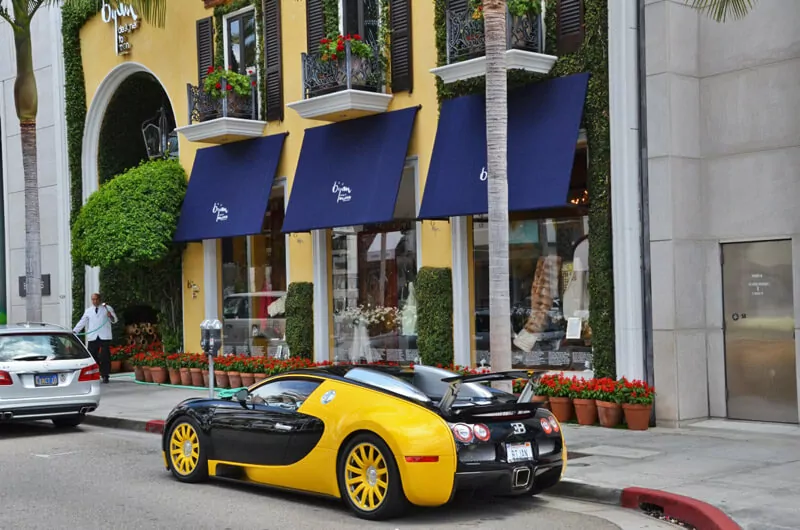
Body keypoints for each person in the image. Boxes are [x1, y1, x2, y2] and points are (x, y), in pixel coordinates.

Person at [73, 293, 118, 384]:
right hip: (93, 337)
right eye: (93, 299)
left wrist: (111, 316)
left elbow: (115, 320)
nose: (95, 301)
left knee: (105, 356)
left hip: (104, 336)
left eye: (96, 299)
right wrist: (74, 331)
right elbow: (82, 321)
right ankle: (94, 374)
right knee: (92, 356)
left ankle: (105, 375)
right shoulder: (88, 311)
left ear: (100, 299)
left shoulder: (107, 308)